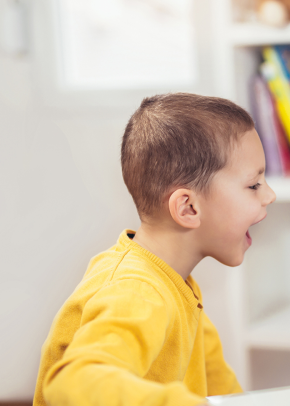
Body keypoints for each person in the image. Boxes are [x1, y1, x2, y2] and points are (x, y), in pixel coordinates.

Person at [33, 93, 276, 405]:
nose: (269, 195)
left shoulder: (180, 287)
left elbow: (220, 388)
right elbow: (74, 382)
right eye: (254, 185)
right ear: (188, 208)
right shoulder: (136, 292)